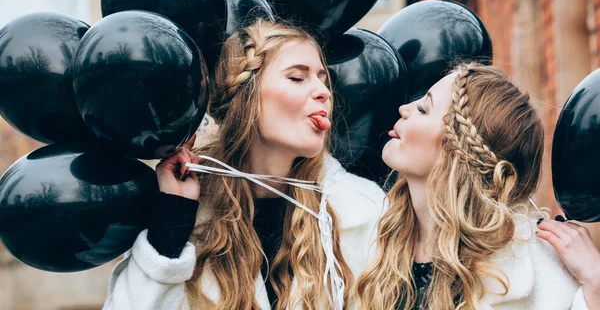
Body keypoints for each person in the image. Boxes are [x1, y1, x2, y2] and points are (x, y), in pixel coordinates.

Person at [103, 20, 385, 310]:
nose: (324, 92)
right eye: (298, 78)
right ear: (247, 97)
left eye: (323, 80)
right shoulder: (190, 214)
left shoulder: (363, 211)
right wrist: (171, 228)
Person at [356, 63, 600, 310]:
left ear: (457, 151)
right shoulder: (373, 243)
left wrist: (597, 286)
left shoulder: (540, 275)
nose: (404, 109)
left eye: (423, 108)